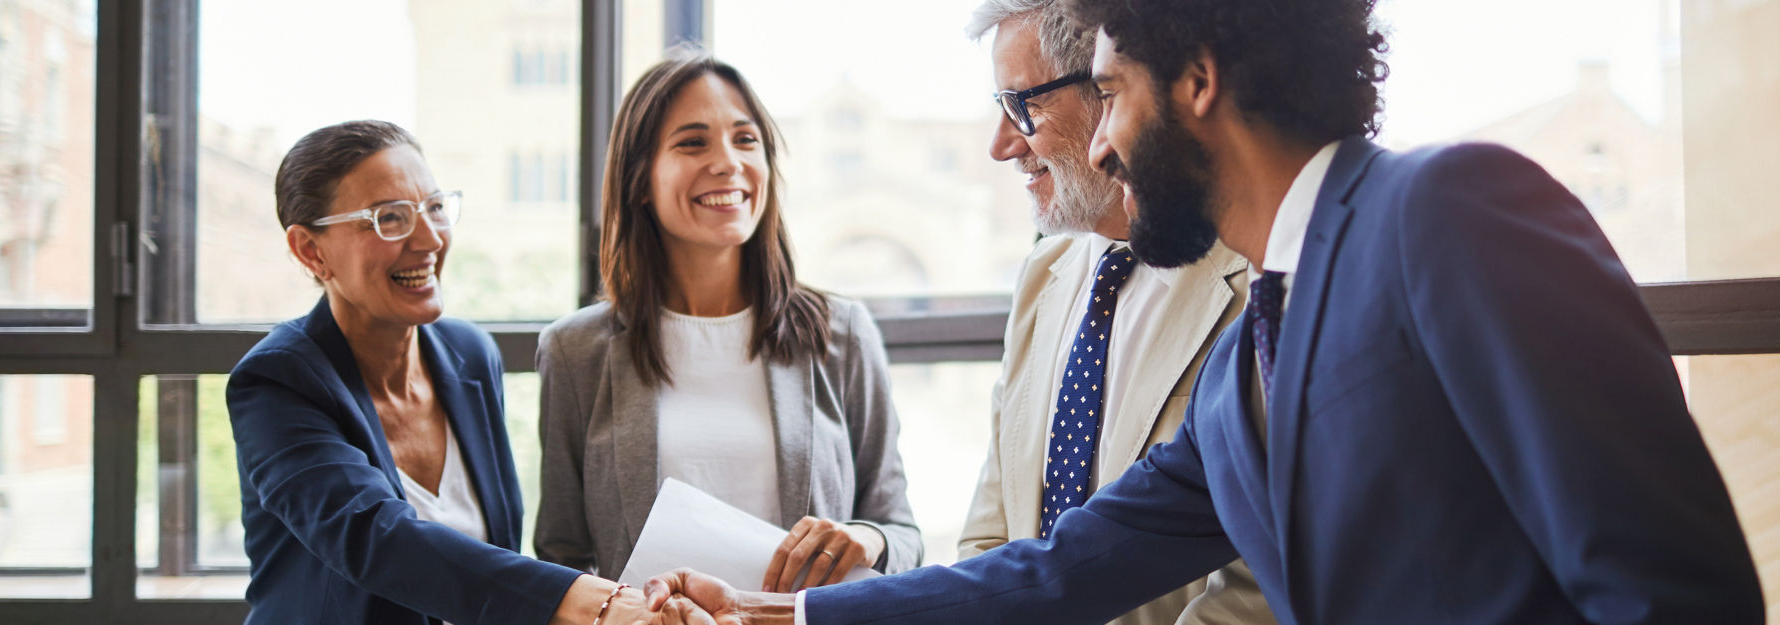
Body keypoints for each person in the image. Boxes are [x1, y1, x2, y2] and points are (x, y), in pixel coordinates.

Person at [642, 0, 1766, 622]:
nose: (1102, 142)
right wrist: (777, 621)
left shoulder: (1448, 208)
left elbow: (1670, 590)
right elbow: (1058, 570)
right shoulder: (1246, 370)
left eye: (1115, 94)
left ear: (1197, 83)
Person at [228, 120, 699, 624]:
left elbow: (490, 561)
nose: (429, 239)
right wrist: (598, 604)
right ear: (310, 250)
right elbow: (375, 538)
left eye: (434, 207)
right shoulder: (277, 382)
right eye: (390, 218)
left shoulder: (469, 354)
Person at [535, 49, 921, 595]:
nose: (727, 162)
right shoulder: (576, 351)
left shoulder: (843, 335)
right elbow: (561, 556)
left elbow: (902, 530)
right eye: (693, 142)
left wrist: (868, 538)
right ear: (640, 179)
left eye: (745, 140)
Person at [961, 1, 1272, 624]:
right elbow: (991, 532)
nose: (1001, 145)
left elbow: (1260, 581)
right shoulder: (1041, 277)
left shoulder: (1258, 278)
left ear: (1113, 89)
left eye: (1022, 106)